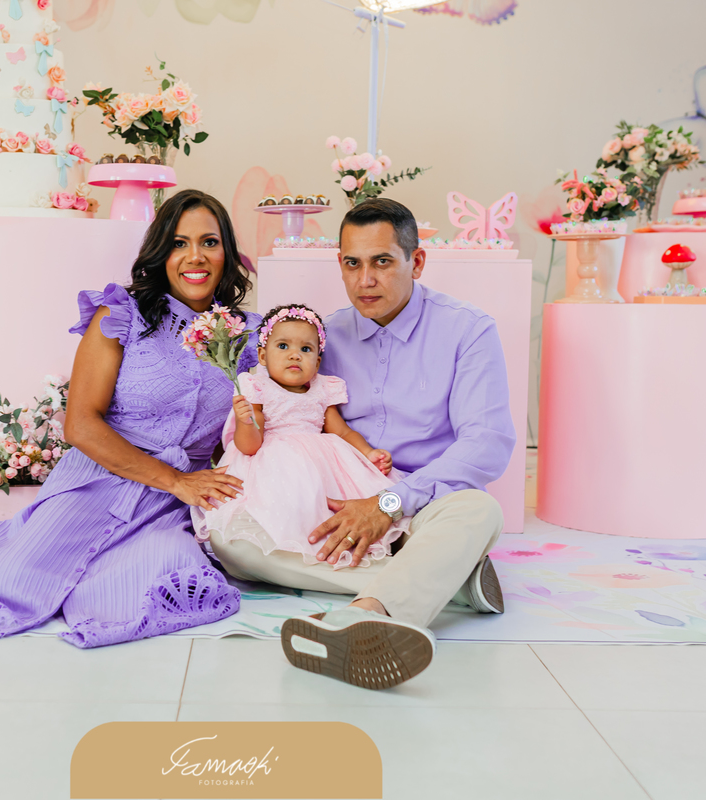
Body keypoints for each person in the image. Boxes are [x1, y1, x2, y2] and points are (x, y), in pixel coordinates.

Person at [0, 189, 261, 651]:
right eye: (179, 243)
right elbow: (81, 425)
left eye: (209, 242)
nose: (195, 257)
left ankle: (15, 539)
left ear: (227, 251)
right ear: (160, 253)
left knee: (162, 577)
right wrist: (175, 480)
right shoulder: (121, 316)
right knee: (16, 579)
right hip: (100, 479)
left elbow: (248, 427)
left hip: (173, 504)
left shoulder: (248, 336)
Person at [208, 198, 515, 690]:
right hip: (337, 502)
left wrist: (388, 504)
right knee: (234, 543)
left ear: (416, 261)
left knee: (480, 510)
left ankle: (367, 613)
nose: (365, 280)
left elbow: (487, 444)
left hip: (422, 501)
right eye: (352, 263)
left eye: (382, 262)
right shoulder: (319, 338)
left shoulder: (467, 329)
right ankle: (453, 582)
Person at [193, 303, 410, 571]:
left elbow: (342, 431)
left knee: (335, 503)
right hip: (275, 461)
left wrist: (368, 453)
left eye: (306, 349)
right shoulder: (257, 387)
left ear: (317, 362)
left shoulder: (323, 388)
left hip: (323, 462)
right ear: (262, 356)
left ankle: (356, 552)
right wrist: (245, 420)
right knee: (290, 508)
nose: (295, 355)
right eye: (283, 346)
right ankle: (297, 554)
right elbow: (249, 446)